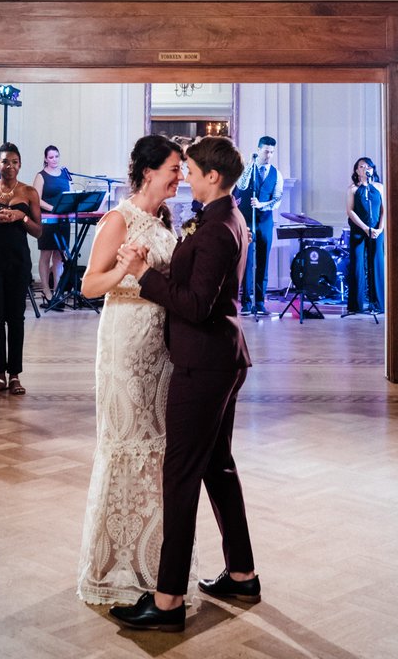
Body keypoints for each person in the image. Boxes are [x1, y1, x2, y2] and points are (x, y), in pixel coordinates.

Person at [110, 135, 258, 634]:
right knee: (217, 466)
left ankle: (168, 599)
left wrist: (142, 274)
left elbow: (196, 306)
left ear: (211, 176)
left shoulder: (217, 229)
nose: (185, 177)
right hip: (220, 358)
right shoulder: (222, 217)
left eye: (189, 170)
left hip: (204, 364)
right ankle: (242, 573)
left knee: (180, 474)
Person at [77, 135, 192, 605]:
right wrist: (129, 271)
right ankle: (112, 565)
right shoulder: (118, 219)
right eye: (173, 168)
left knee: (155, 447)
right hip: (125, 344)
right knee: (126, 444)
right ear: (148, 171)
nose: (179, 177)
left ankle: (150, 560)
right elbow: (89, 286)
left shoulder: (164, 218)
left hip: (159, 346)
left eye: (182, 169)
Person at [0, 142, 41, 396]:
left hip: (19, 259)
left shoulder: (29, 192)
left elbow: (38, 231)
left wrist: (20, 218)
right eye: (5, 162)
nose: (9, 166)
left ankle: (15, 375)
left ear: (20, 164)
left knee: (16, 318)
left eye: (14, 162)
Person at [235, 135, 283, 316]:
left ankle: (260, 302)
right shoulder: (248, 169)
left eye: (271, 152)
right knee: (247, 261)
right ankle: (246, 302)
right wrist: (250, 165)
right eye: (266, 151)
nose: (269, 155)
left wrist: (262, 205)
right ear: (258, 150)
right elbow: (241, 185)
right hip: (247, 220)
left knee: (263, 261)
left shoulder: (276, 174)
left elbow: (277, 199)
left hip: (265, 222)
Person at [345, 157, 385, 314]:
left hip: (377, 231)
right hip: (359, 231)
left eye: (368, 166)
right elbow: (350, 211)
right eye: (361, 167)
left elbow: (383, 210)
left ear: (372, 169)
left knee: (377, 263)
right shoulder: (353, 189)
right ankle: (356, 305)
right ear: (357, 171)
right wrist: (364, 228)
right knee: (357, 265)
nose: (365, 169)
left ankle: (378, 303)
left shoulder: (379, 187)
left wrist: (380, 229)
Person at [32, 144, 71, 301]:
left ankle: (57, 290)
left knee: (59, 255)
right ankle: (46, 291)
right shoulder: (41, 176)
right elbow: (36, 198)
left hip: (63, 219)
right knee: (46, 254)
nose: (54, 160)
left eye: (56, 156)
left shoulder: (65, 174)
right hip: (48, 219)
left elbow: (70, 192)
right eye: (51, 157)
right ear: (45, 159)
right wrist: (53, 208)